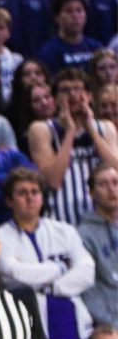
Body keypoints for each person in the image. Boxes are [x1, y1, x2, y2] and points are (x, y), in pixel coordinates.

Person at [0, 167, 95, 339]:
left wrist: (51, 287)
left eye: (35, 192)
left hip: (72, 323)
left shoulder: (64, 231)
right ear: (9, 201)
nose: (30, 198)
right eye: (22, 193)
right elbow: (14, 274)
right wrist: (61, 268)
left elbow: (87, 271)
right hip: (30, 325)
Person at [27, 68, 118, 226]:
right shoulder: (41, 129)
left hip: (105, 222)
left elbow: (115, 168)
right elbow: (53, 180)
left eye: (78, 89)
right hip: (62, 220)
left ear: (89, 96)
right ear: (55, 98)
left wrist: (91, 129)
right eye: (65, 90)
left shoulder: (106, 127)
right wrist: (70, 131)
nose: (73, 95)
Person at [78, 164, 118, 329]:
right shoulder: (83, 234)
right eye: (103, 184)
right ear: (92, 193)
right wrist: (112, 324)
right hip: (110, 325)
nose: (111, 189)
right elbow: (87, 288)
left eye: (115, 182)